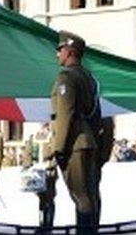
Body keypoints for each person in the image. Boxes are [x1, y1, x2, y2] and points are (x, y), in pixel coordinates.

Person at [45, 30, 99, 235]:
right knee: (88, 196)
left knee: (81, 197)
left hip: (74, 143)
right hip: (86, 139)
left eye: (60, 50)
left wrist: (58, 147)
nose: (57, 54)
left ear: (69, 52)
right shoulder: (88, 77)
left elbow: (65, 114)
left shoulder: (67, 77)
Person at [30, 123, 57, 233]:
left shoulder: (52, 136)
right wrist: (28, 165)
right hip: (37, 171)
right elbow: (28, 151)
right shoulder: (35, 136)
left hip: (48, 172)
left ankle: (49, 225)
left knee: (49, 199)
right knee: (41, 199)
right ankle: (41, 224)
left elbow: (56, 152)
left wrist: (51, 165)